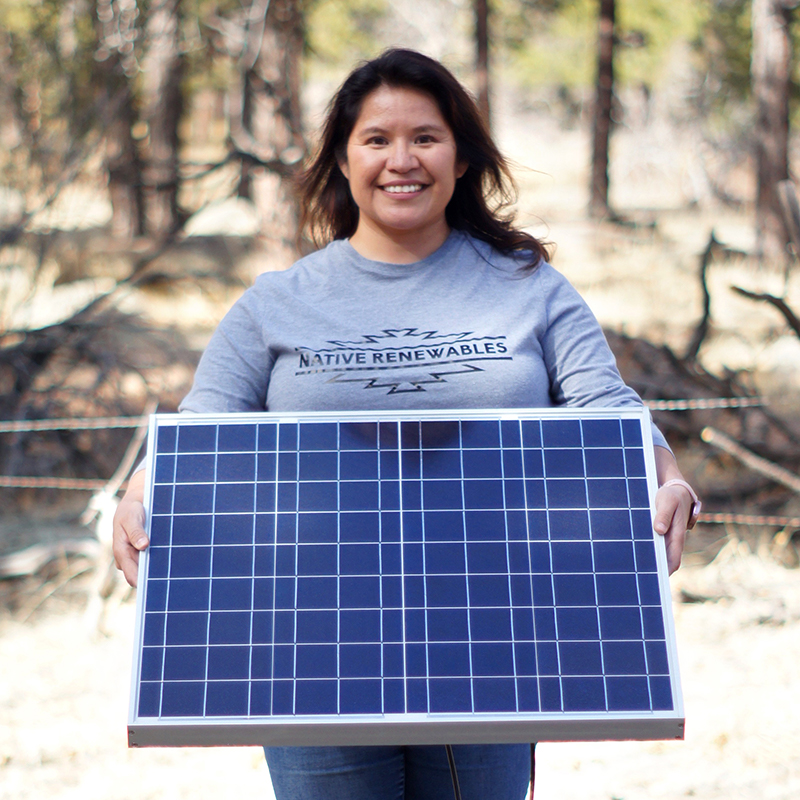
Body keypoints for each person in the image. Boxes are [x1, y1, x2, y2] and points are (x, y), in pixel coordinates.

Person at [113, 48, 699, 800]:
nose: (402, 159)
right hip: (311, 636)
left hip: (496, 627)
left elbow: (608, 409)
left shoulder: (533, 289)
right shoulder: (276, 302)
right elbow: (203, 430)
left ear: (460, 159)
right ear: (344, 160)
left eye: (425, 137)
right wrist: (141, 490)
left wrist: (668, 474)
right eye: (376, 139)